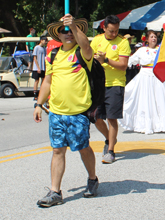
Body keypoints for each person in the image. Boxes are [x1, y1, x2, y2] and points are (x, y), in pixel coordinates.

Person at [33, 15, 98, 207]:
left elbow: (87, 46)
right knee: (58, 150)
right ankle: (55, 192)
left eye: (71, 30)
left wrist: (74, 27)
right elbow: (47, 81)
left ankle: (92, 179)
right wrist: (38, 104)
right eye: (64, 31)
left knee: (83, 148)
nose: (68, 34)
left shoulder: (82, 52)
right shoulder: (53, 55)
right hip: (57, 113)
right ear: (58, 35)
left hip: (77, 113)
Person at [90, 15, 131, 164]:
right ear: (104, 28)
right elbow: (89, 58)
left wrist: (106, 60)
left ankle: (111, 151)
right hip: (99, 84)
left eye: (116, 31)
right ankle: (109, 138)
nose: (114, 34)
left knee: (112, 117)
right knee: (95, 117)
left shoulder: (123, 42)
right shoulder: (96, 40)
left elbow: (123, 65)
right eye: (111, 31)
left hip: (115, 83)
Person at [32, 36, 48, 100]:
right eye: (44, 40)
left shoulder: (44, 48)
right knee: (36, 80)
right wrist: (38, 67)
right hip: (37, 67)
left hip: (43, 67)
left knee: (43, 80)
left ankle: (41, 93)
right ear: (41, 40)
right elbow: (34, 58)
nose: (45, 42)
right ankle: (35, 94)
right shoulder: (36, 47)